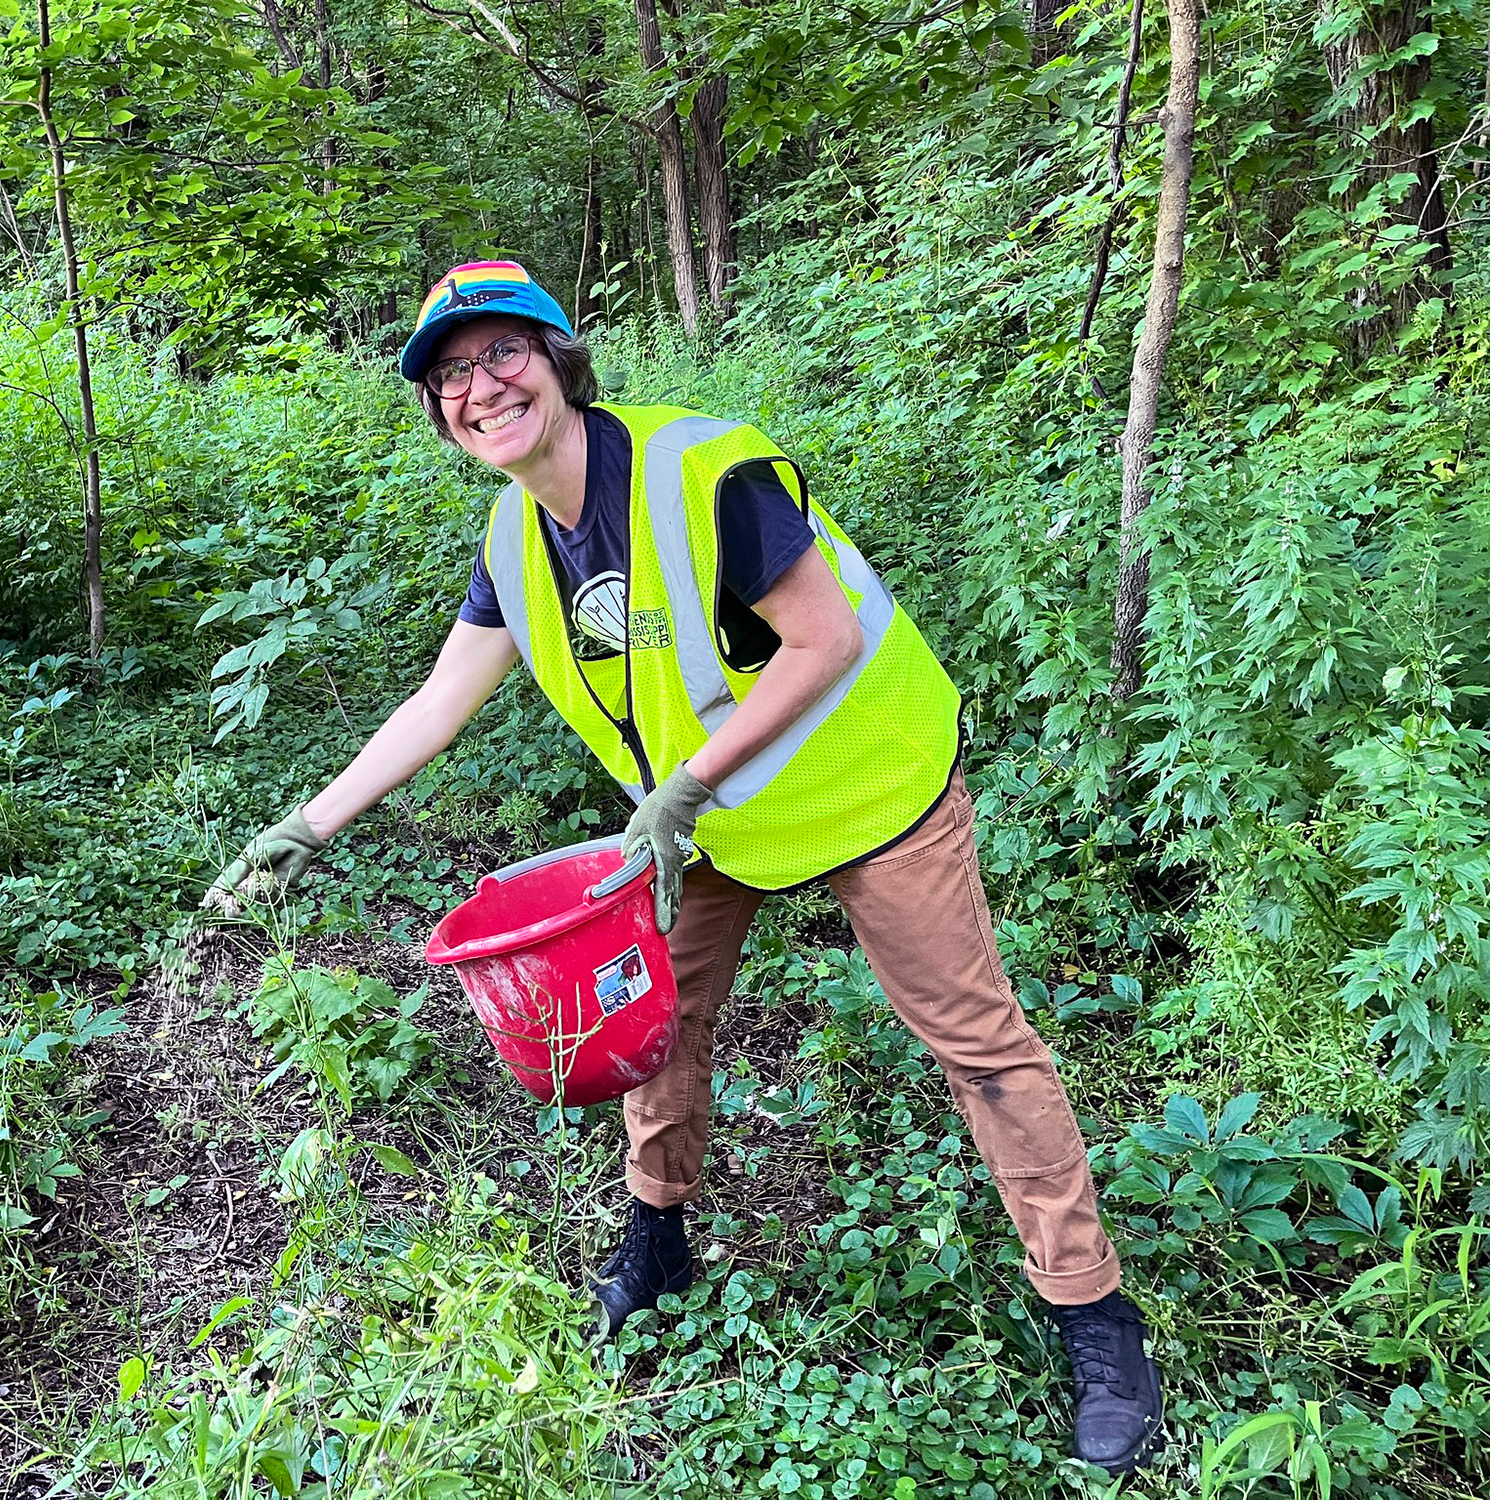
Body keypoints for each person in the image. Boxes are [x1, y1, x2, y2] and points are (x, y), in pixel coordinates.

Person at [205, 260, 1167, 1476]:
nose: (478, 387)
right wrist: (309, 824)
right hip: (700, 821)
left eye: (500, 354)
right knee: (654, 1024)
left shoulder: (703, 469)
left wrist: (685, 786)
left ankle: (1090, 1312)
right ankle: (657, 1240)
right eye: (448, 374)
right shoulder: (512, 533)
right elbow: (441, 698)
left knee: (974, 1043)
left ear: (560, 360)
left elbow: (826, 638)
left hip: (865, 785)